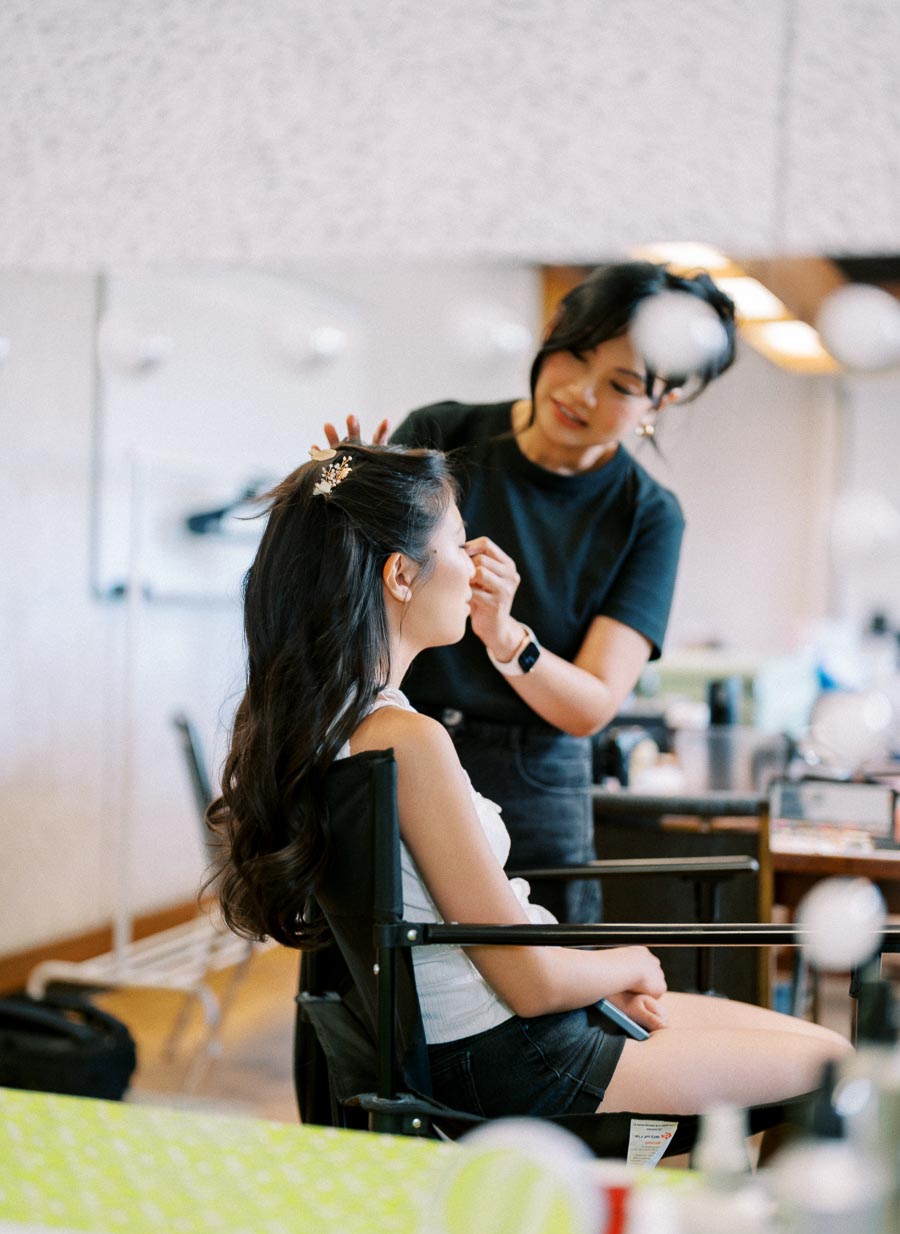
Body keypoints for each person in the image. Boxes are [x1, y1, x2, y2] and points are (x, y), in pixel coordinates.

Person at [209, 441, 850, 1121]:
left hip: (498, 1035)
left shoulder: (331, 725)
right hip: (513, 1059)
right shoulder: (407, 741)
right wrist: (626, 963)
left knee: (814, 1049)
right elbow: (529, 981)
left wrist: (595, 983)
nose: (475, 563)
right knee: (836, 1065)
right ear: (400, 574)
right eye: (459, 542)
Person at [324, 262, 738, 924]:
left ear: (660, 404)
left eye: (622, 385)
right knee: (376, 982)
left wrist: (505, 635)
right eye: (574, 356)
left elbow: (592, 706)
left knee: (540, 992)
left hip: (534, 781)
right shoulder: (443, 432)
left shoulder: (648, 515)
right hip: (393, 737)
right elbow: (330, 506)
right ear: (552, 336)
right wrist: (339, 471)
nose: (580, 392)